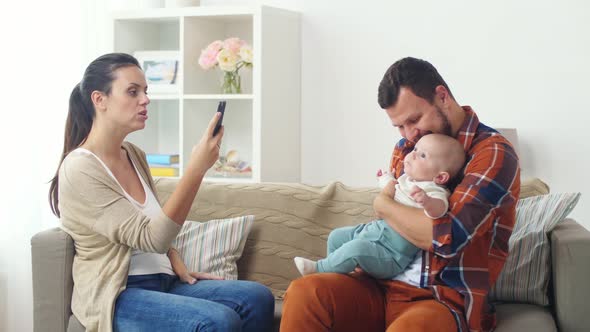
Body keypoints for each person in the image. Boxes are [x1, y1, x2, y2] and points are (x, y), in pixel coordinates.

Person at [280, 57, 520, 332]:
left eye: (414, 120)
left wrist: (382, 205)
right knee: (305, 293)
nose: (409, 135)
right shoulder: (408, 147)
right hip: (381, 284)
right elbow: (394, 228)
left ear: (442, 96)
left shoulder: (493, 154)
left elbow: (445, 237)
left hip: (441, 298)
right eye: (399, 126)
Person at [48, 53, 274, 332]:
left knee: (258, 297)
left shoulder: (134, 155)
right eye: (133, 91)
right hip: (120, 294)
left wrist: (174, 257)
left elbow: (151, 227)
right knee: (219, 320)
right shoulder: (80, 168)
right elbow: (151, 237)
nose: (145, 99)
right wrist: (196, 169)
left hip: (165, 282)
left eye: (145, 91)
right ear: (99, 100)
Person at [293, 134, 465, 280]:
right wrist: (384, 179)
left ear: (441, 177)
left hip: (391, 254)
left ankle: (320, 270)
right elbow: (390, 187)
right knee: (336, 236)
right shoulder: (406, 180)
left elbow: (440, 209)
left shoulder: (433, 190)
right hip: (372, 232)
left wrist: (427, 201)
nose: (412, 155)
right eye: (415, 150)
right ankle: (337, 274)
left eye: (422, 156)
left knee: (356, 249)